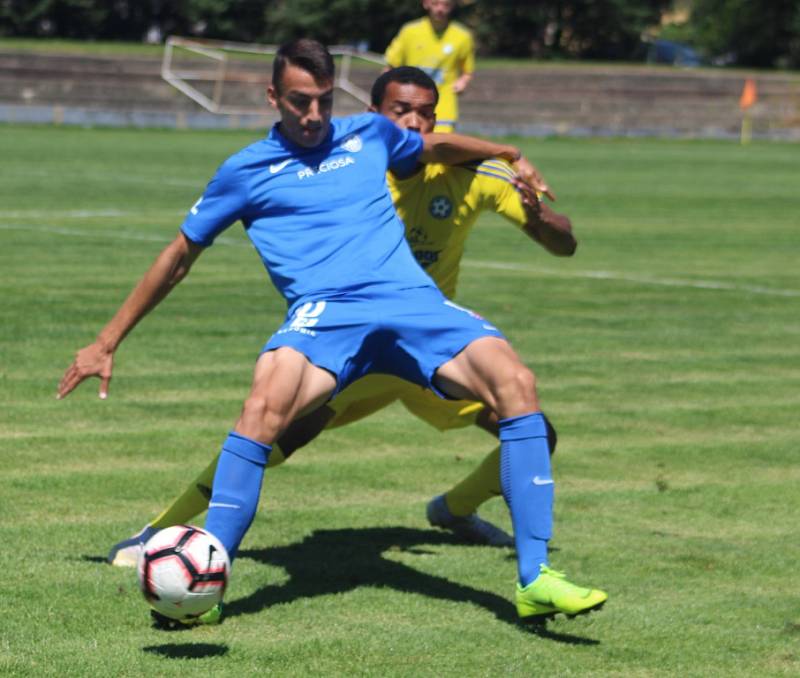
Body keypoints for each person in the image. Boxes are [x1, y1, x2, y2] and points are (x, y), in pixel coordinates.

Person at [58, 40, 606, 626]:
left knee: (515, 381)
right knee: (265, 405)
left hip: (412, 303)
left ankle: (535, 579)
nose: (314, 115)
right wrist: (107, 340)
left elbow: (434, 145)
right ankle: (208, 576)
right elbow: (178, 255)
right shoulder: (244, 171)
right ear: (273, 97)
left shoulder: (369, 135)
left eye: (322, 100)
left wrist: (507, 152)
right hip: (326, 314)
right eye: (300, 102)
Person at [385, 0, 474, 132]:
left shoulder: (462, 36)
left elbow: (467, 72)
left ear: (452, 6)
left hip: (444, 101)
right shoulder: (409, 31)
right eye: (435, 4)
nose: (440, 9)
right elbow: (390, 66)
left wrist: (463, 82)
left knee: (440, 144)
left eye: (445, 5)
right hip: (410, 99)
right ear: (426, 4)